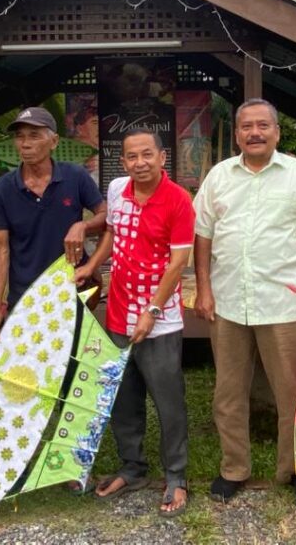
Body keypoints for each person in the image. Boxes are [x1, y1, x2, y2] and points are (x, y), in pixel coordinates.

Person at [194, 98, 296, 514]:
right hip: (228, 301)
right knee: (228, 392)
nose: (254, 133)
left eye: (262, 126)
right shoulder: (219, 176)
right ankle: (234, 469)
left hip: (284, 303)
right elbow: (203, 235)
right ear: (237, 133)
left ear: (277, 131)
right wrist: (203, 289)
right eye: (246, 127)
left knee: (293, 393)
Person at [74, 129, 194, 516]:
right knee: (123, 398)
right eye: (131, 156)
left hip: (159, 320)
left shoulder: (178, 201)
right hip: (118, 313)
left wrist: (153, 311)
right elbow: (113, 232)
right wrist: (92, 266)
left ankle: (176, 475)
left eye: (147, 155)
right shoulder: (117, 189)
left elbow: (178, 263)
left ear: (162, 157)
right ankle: (133, 467)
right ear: (122, 161)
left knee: (168, 400)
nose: (139, 162)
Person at [0, 106, 106, 345]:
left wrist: (83, 226)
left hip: (71, 290)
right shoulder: (1, 189)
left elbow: (104, 215)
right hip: (25, 296)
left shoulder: (75, 176)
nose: (25, 143)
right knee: (29, 370)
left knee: (69, 367)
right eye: (20, 136)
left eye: (34, 135)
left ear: (54, 141)